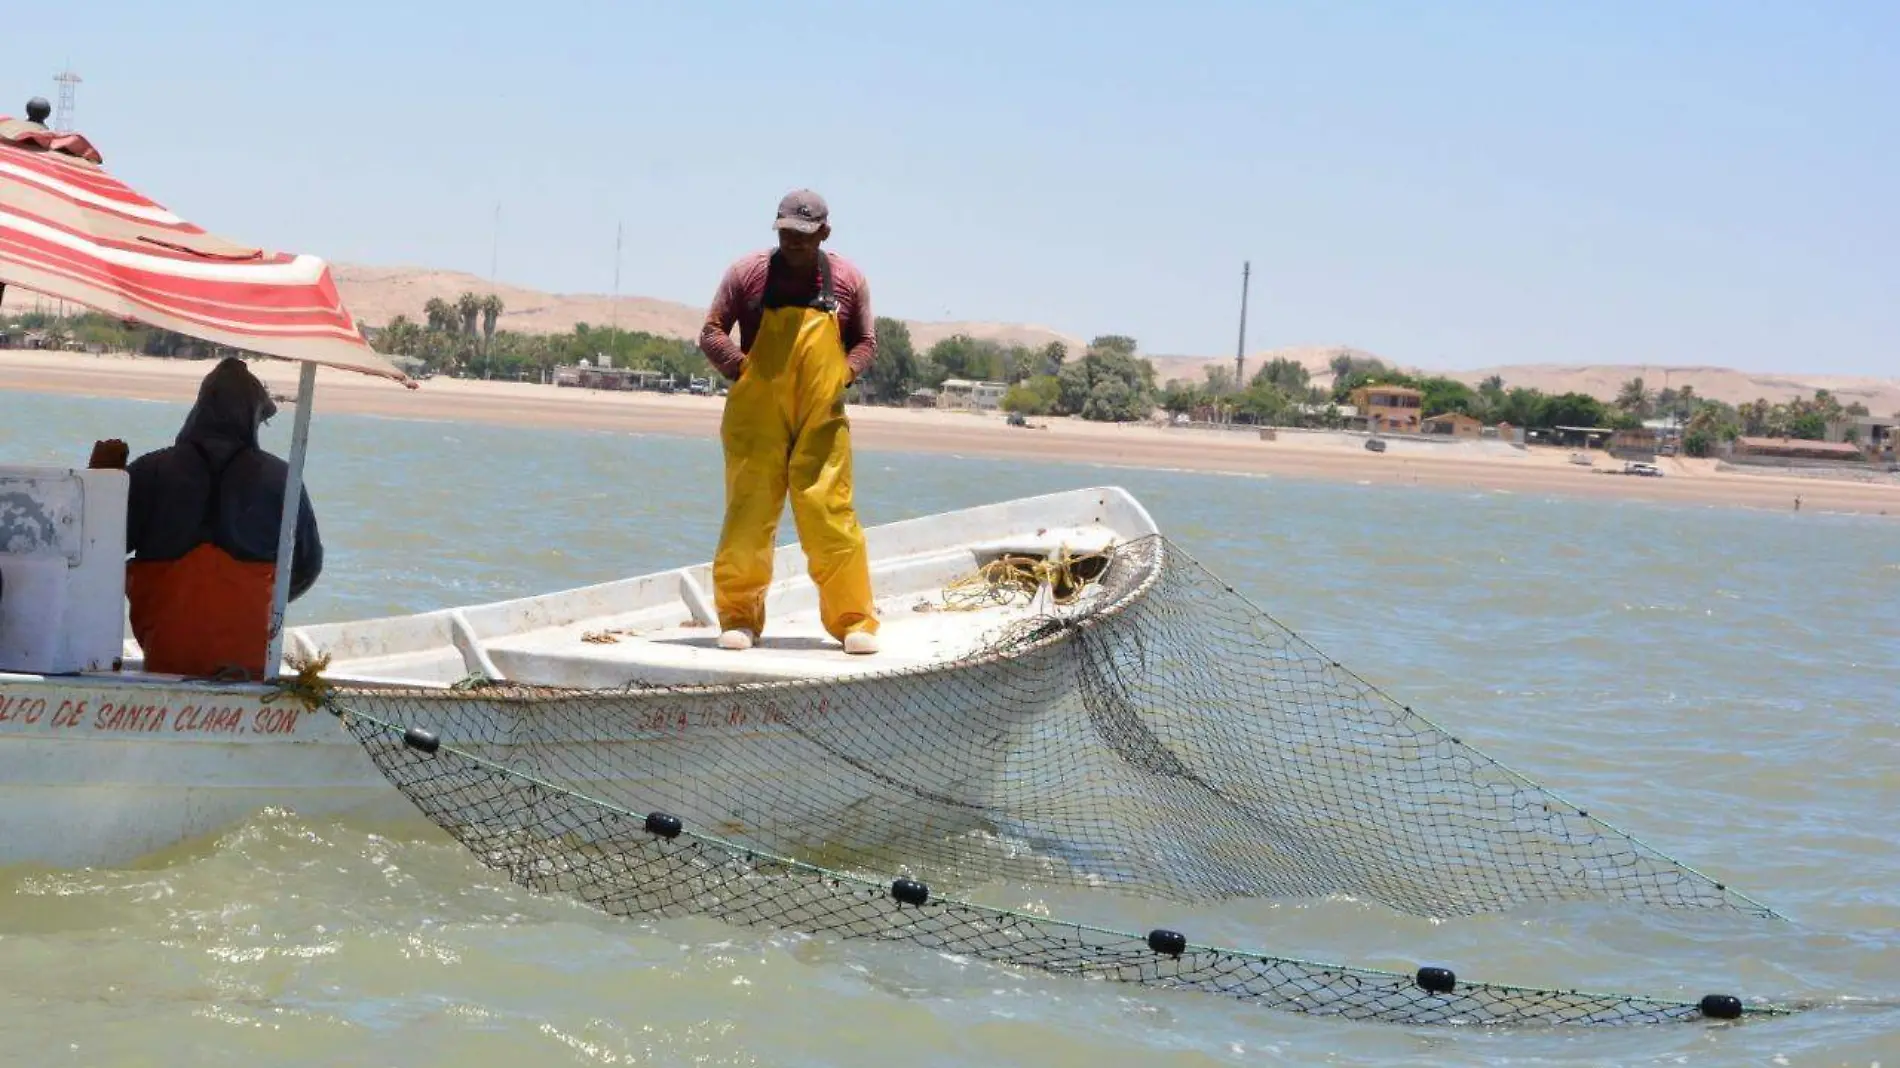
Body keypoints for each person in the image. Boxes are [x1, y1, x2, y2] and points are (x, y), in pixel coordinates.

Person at [698, 189, 880, 655]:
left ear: (824, 232)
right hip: (756, 414)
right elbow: (712, 331)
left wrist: (844, 373)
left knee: (828, 513)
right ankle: (739, 618)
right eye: (785, 233)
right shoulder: (748, 274)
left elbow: (865, 342)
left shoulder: (847, 280)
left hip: (821, 413)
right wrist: (742, 370)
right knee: (749, 515)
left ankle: (853, 620)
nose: (794, 243)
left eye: (804, 235)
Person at [112, 357, 322, 679]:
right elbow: (308, 565)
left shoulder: (149, 471)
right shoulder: (282, 479)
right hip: (246, 664)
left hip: (166, 656)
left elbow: (100, 550)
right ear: (253, 418)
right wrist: (264, 602)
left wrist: (104, 480)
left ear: (197, 412)